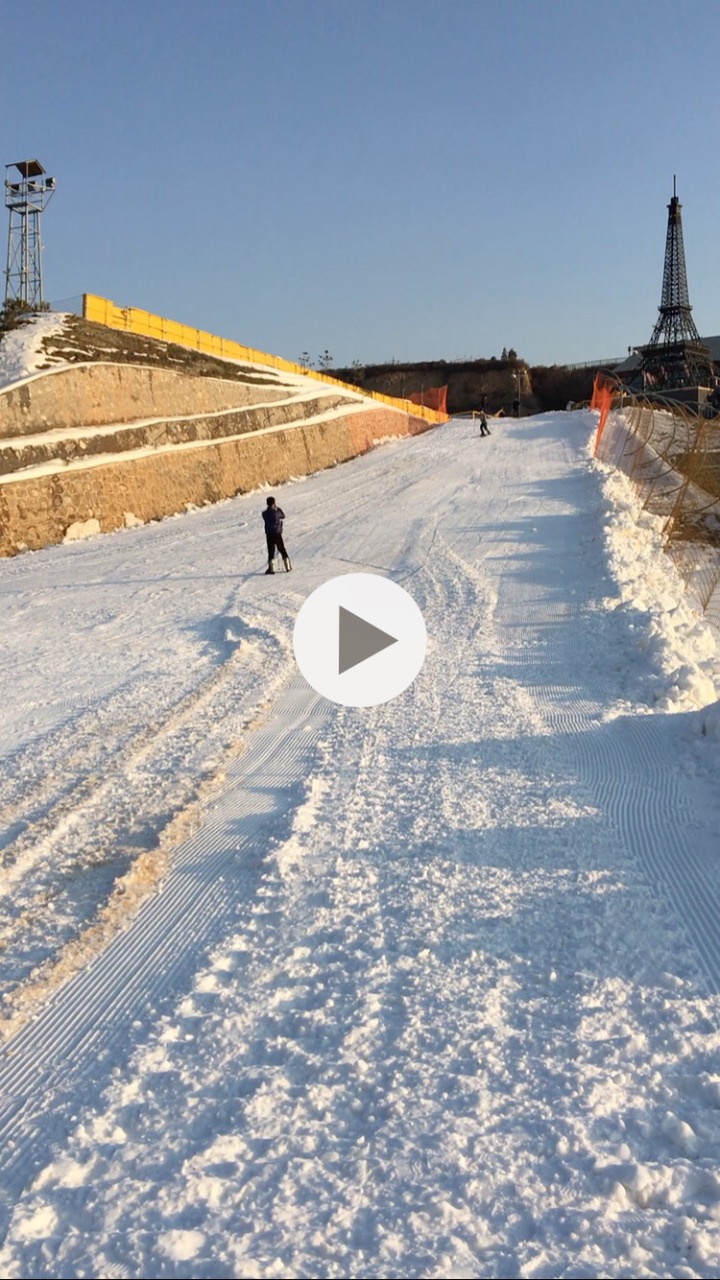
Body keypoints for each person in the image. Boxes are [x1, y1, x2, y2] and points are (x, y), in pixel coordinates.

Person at [262, 496, 291, 574]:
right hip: (277, 533)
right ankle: (287, 566)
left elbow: (265, 517)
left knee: (271, 551)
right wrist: (278, 508)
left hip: (269, 534)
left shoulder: (264, 513)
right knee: (281, 549)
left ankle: (271, 569)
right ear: (274, 503)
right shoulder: (277, 512)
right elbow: (283, 516)